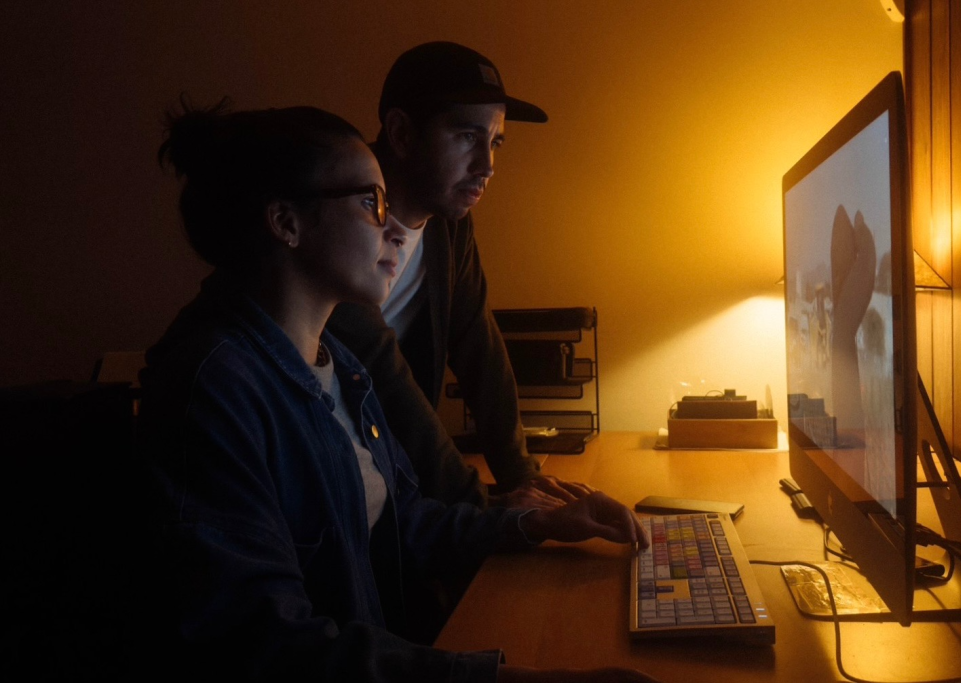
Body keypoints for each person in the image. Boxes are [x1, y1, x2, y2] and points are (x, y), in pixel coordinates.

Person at [138, 100, 656, 683]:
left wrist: (537, 523)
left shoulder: (341, 369)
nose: (394, 228)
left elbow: (402, 522)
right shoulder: (215, 389)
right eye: (370, 203)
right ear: (286, 222)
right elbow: (268, 645)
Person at [327, 42, 582, 509]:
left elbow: (479, 347)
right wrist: (485, 507)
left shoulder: (449, 225)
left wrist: (522, 477)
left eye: (495, 141)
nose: (487, 166)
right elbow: (383, 370)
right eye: (467, 137)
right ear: (401, 133)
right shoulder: (338, 222)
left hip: (393, 481)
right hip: (326, 484)